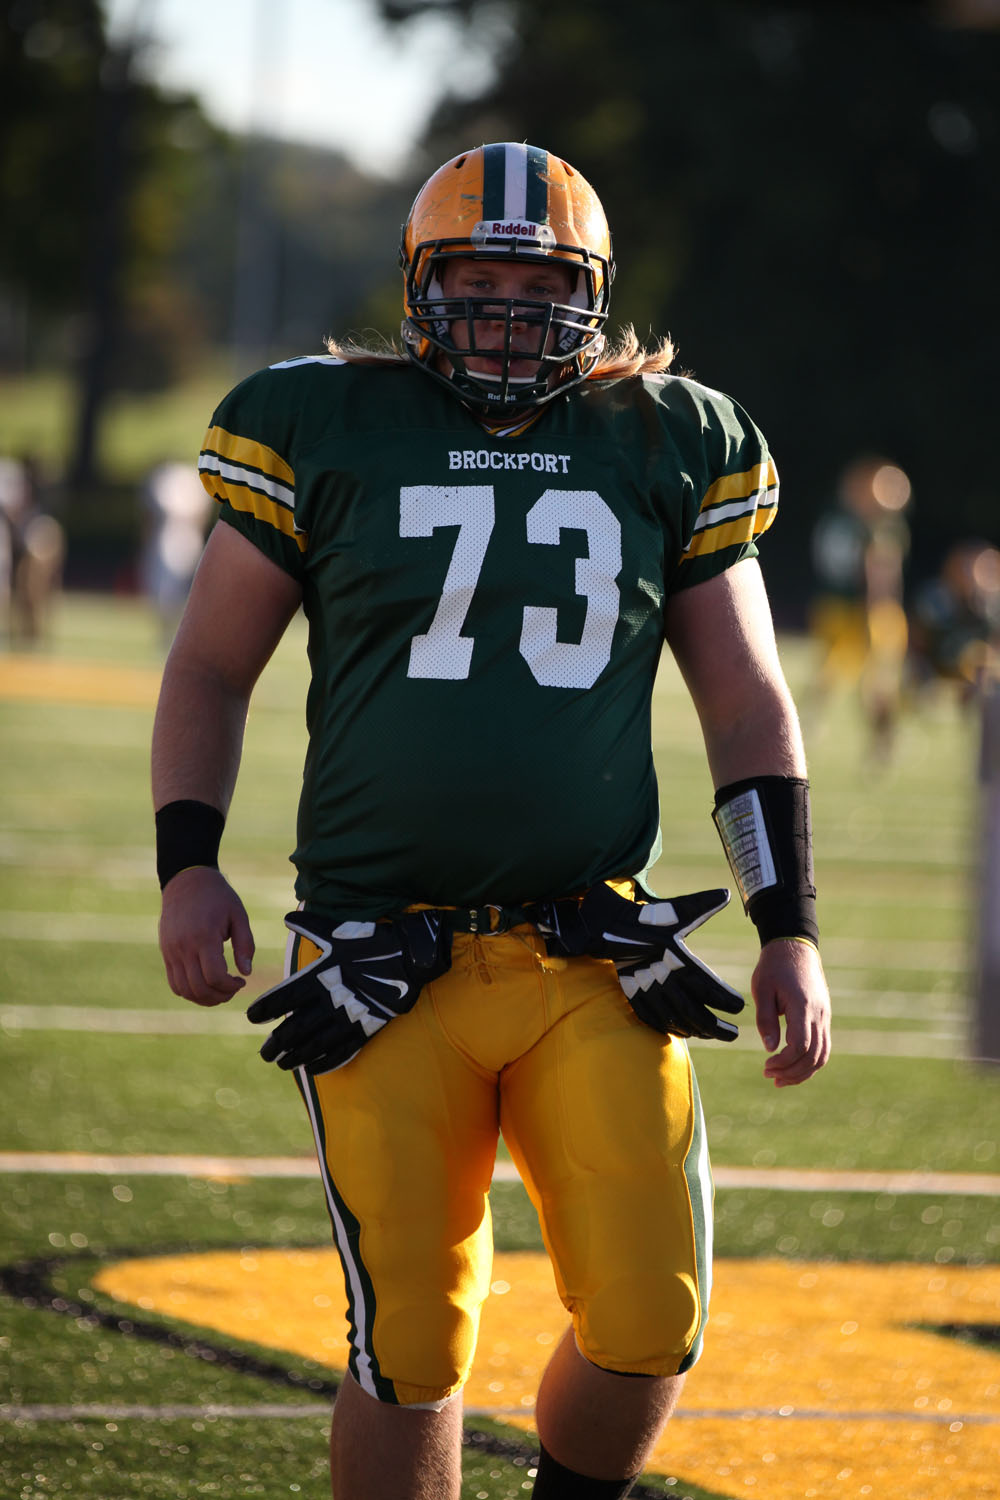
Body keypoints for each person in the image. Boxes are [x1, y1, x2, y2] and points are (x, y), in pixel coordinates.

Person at [152, 142, 831, 1500]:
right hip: (375, 953)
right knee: (410, 1344)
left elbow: (749, 703)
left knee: (651, 1322)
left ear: (592, 292)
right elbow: (211, 666)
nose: (513, 307)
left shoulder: (667, 434)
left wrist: (788, 925)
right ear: (423, 285)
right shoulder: (322, 422)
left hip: (593, 951)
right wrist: (190, 864)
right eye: (483, 274)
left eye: (543, 280)